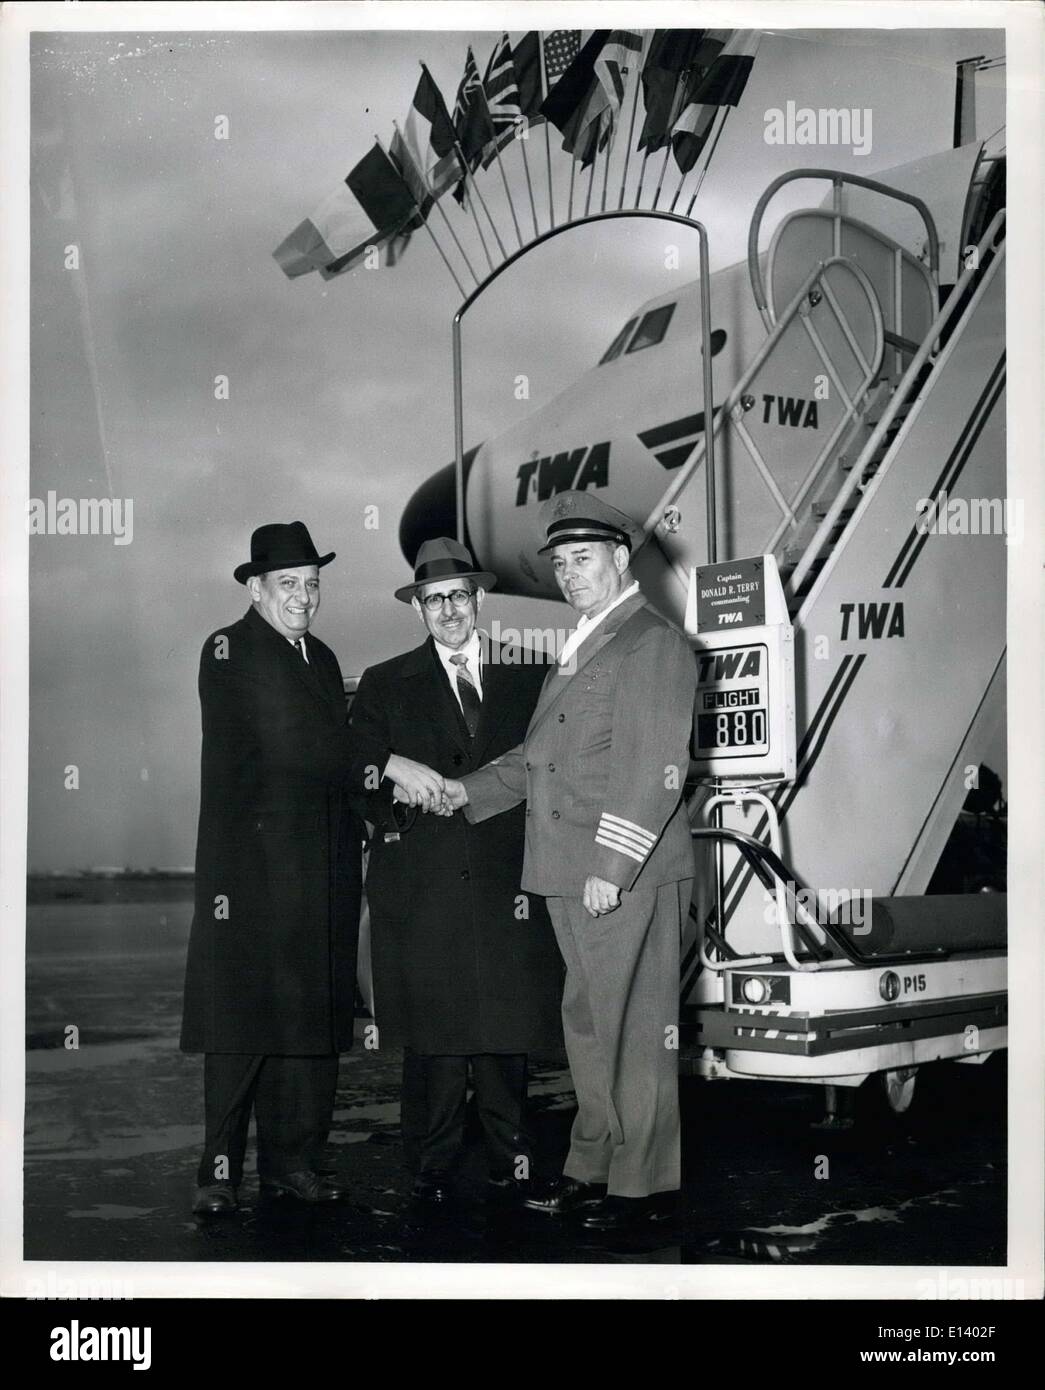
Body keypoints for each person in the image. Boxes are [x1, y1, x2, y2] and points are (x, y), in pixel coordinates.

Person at [444, 493, 696, 1231]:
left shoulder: (650, 642)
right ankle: (593, 1169)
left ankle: (645, 1191)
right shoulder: (588, 641)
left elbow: (654, 769)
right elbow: (541, 757)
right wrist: (464, 791)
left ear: (620, 557)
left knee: (636, 1031)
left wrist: (611, 871)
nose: (568, 573)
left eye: (582, 558)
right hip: (567, 873)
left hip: (620, 875)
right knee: (588, 1026)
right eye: (559, 563)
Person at [180, 521, 444, 1215]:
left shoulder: (321, 658)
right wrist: (389, 764)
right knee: (242, 1027)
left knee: (311, 1024)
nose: (303, 596)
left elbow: (337, 760)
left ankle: (292, 1166)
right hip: (252, 876)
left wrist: (390, 812)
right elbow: (294, 741)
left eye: (313, 583)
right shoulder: (229, 648)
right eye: (288, 584)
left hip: (321, 873)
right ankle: (217, 1174)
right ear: (256, 589)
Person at [351, 538, 563, 1205]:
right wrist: (395, 788)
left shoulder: (534, 673)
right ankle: (431, 1170)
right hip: (423, 884)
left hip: (508, 882)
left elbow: (553, 764)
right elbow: (354, 777)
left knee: (506, 1031)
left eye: (458, 597)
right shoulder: (383, 682)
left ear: (479, 600)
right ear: (418, 609)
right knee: (434, 1037)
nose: (447, 610)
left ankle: (514, 1162)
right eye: (433, 599)